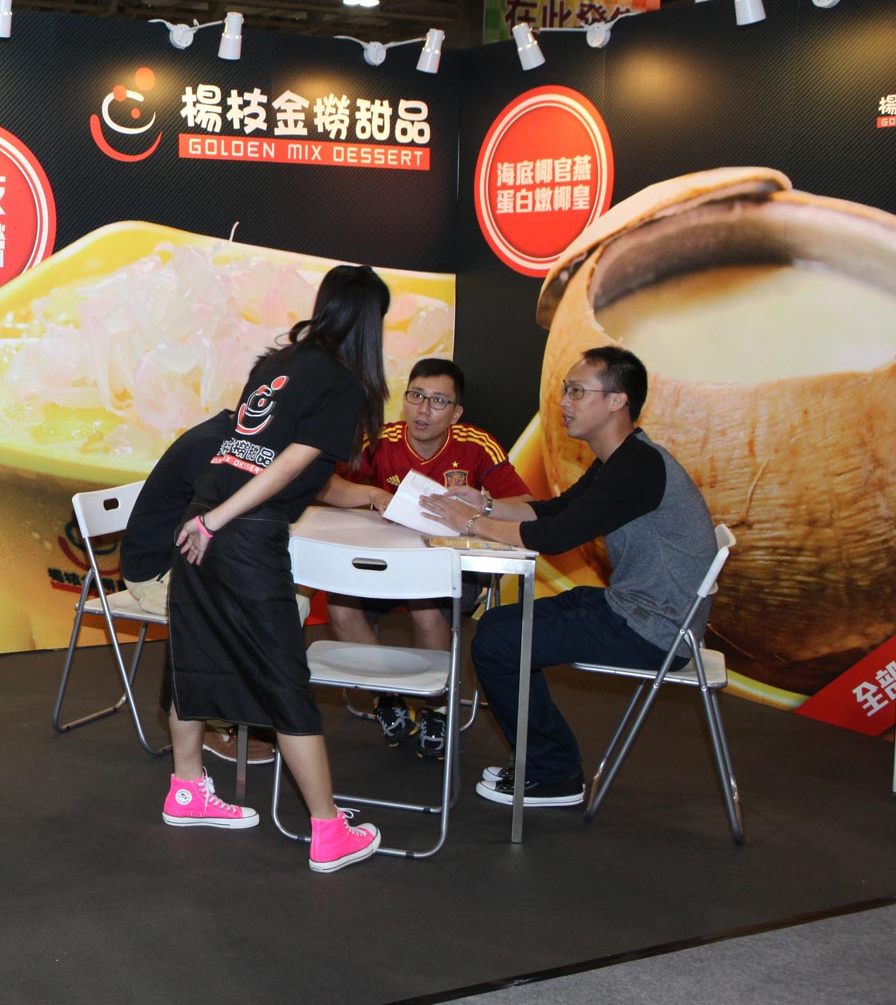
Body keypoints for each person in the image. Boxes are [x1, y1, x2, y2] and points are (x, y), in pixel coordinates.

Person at [126, 263, 391, 874]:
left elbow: (249, 450)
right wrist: (219, 522)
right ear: (370, 323)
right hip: (237, 533)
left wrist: (207, 521)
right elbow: (287, 465)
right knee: (284, 679)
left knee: (193, 657)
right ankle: (328, 829)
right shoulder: (342, 383)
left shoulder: (279, 361)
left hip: (201, 522)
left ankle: (187, 789)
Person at [421, 346, 718, 808]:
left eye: (577, 391)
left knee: (499, 644)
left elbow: (554, 536)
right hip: (634, 608)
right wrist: (484, 505)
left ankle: (554, 773)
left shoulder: (638, 468)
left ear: (617, 401)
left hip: (655, 629)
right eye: (566, 390)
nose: (564, 402)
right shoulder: (621, 459)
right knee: (498, 624)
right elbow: (556, 510)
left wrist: (472, 524)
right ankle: (545, 760)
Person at [315, 357, 532, 760]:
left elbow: (527, 505)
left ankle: (435, 708)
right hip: (387, 560)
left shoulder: (476, 445)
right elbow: (325, 483)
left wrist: (482, 505)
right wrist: (373, 494)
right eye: (416, 396)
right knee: (340, 606)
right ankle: (387, 699)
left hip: (446, 567)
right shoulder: (381, 439)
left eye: (437, 401)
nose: (423, 409)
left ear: (456, 413)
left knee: (426, 609)